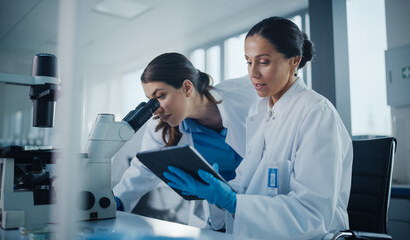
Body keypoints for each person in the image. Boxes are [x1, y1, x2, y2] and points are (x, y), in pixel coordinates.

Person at [163, 16, 353, 239]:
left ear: (294, 61)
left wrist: (232, 201)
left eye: (263, 62)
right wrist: (218, 193)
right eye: (248, 61)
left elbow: (312, 215)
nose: (253, 73)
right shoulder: (260, 113)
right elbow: (247, 187)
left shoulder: (316, 112)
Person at [113, 52, 259, 227]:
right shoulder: (162, 126)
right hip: (220, 216)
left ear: (187, 87)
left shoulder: (244, 93)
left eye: (160, 96)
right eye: (151, 101)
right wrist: (115, 201)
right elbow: (143, 169)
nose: (156, 110)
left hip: (262, 206)